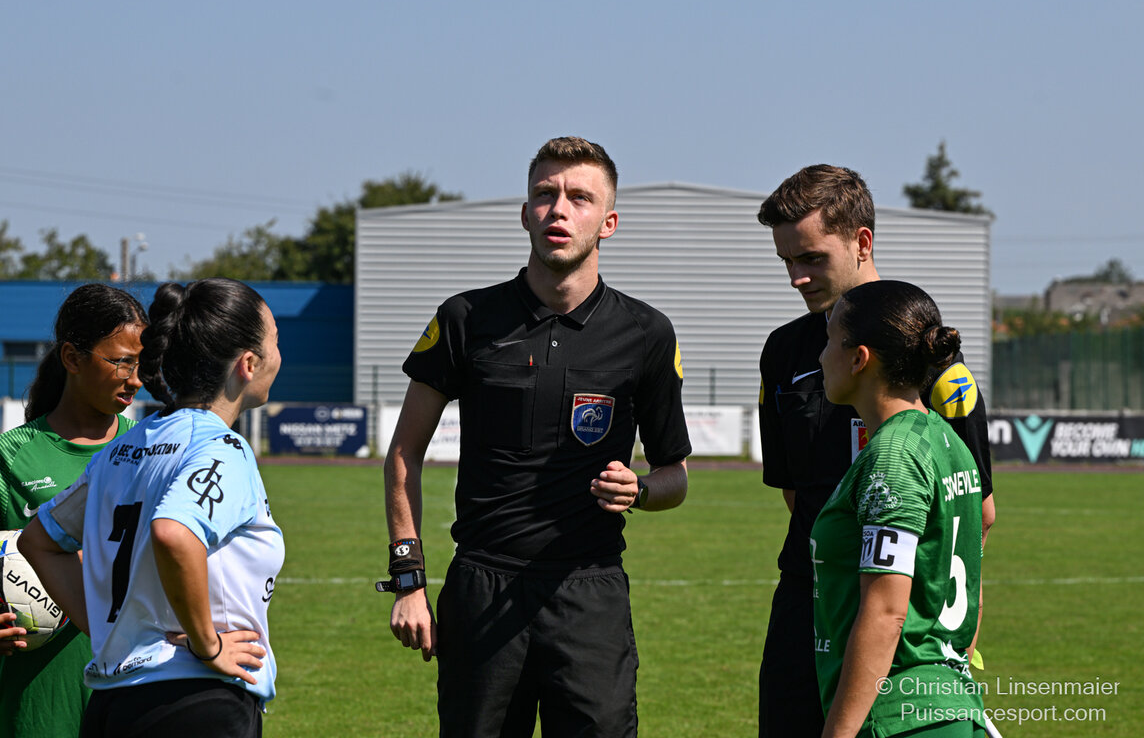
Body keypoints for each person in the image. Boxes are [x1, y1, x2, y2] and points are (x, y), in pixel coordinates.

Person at [383, 136, 691, 737]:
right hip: (482, 585)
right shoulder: (465, 318)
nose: (559, 209)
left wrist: (640, 490)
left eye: (580, 197)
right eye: (546, 194)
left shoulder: (646, 333)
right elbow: (403, 455)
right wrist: (408, 579)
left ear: (608, 223)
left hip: (590, 592)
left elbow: (674, 477)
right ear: (525, 213)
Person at [755, 165, 995, 737]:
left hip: (898, 614)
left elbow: (975, 512)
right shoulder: (783, 351)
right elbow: (795, 493)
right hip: (808, 597)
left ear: (862, 242)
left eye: (811, 258)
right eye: (786, 260)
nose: (796, 277)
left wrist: (933, 628)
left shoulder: (929, 356)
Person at [19, 278, 284, 738]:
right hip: (195, 701)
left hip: (111, 706)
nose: (280, 355)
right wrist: (208, 646)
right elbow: (174, 533)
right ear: (248, 363)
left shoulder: (124, 449)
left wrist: (113, 632)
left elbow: (39, 541)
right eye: (276, 341)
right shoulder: (223, 449)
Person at [0, 283, 147, 738]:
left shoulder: (151, 448)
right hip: (38, 707)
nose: (135, 379)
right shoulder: (9, 455)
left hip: (134, 699)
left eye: (140, 364)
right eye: (121, 362)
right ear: (72, 358)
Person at [812, 280, 986, 737]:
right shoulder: (948, 441)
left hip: (897, 716)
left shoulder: (894, 454)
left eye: (829, 341)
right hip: (947, 707)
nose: (821, 357)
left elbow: (886, 611)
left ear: (859, 358)